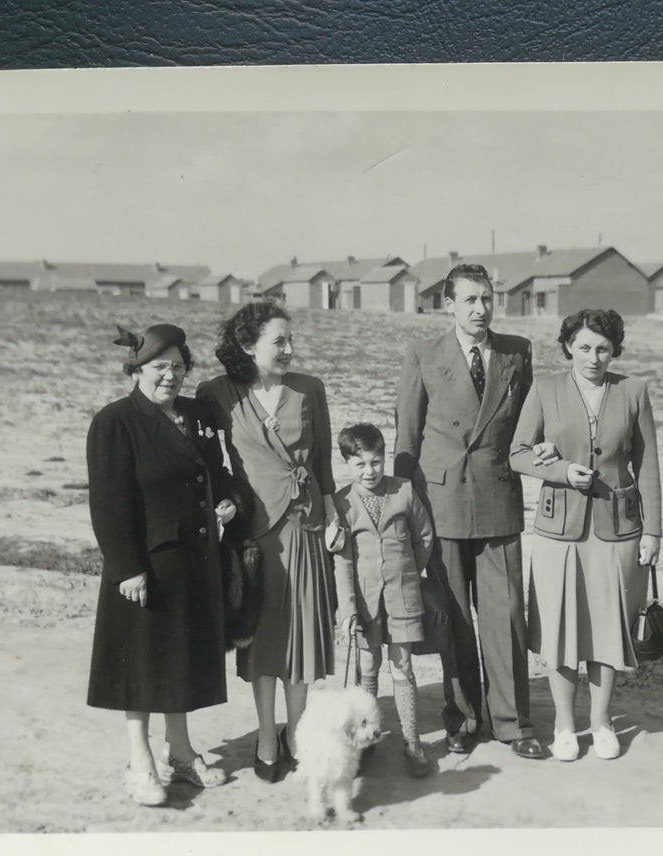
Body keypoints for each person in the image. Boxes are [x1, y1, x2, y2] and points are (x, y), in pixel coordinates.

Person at [394, 263, 546, 759]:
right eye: (471, 300)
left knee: (505, 619)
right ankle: (462, 718)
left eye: (488, 298)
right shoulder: (422, 353)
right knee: (454, 617)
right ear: (449, 305)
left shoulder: (516, 352)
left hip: (498, 498)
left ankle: (513, 723)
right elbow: (407, 437)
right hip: (441, 504)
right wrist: (405, 509)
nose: (481, 309)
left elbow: (529, 427)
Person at [86, 323, 238, 805]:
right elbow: (109, 504)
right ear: (136, 370)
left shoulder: (194, 415)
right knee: (142, 664)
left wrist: (229, 501)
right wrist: (126, 568)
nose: (170, 376)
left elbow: (217, 472)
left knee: (181, 660)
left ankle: (181, 752)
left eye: (178, 366)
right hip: (146, 567)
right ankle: (140, 762)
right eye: (159, 367)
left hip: (194, 561)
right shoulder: (115, 422)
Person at [197, 300, 341, 782]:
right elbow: (204, 461)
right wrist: (224, 501)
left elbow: (322, 465)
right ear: (247, 344)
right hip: (256, 535)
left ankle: (295, 730)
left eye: (290, 339)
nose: (290, 349)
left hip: (305, 527)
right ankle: (265, 732)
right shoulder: (216, 393)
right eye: (279, 341)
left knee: (301, 639)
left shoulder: (310, 389)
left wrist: (334, 516)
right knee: (262, 644)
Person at [509, 309, 661, 761]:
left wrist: (652, 530)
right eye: (584, 347)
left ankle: (601, 722)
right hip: (560, 530)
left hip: (617, 531)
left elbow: (647, 463)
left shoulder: (633, 391)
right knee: (559, 629)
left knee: (606, 627)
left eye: (603, 348)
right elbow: (517, 453)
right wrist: (558, 470)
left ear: (614, 350)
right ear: (568, 347)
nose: (593, 357)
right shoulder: (547, 389)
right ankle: (564, 725)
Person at [332, 422, 435, 779]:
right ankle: (367, 740)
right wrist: (347, 610)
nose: (370, 471)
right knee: (368, 669)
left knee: (403, 667)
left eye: (376, 462)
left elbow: (424, 538)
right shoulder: (341, 501)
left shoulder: (404, 491)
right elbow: (343, 561)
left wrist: (407, 573)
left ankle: (411, 741)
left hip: (402, 597)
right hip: (364, 603)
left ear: (384, 458)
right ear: (346, 463)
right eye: (359, 464)